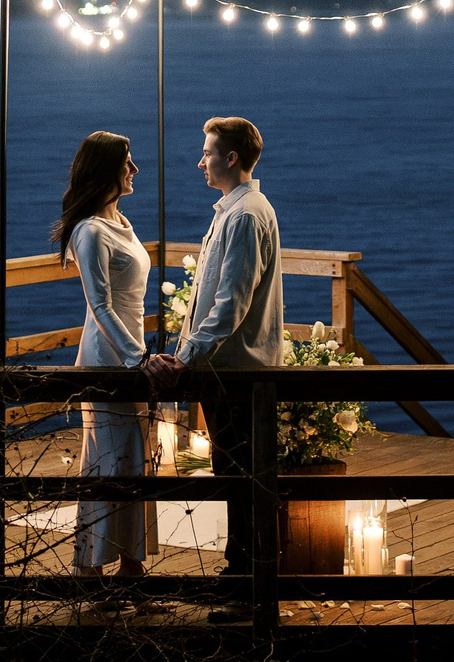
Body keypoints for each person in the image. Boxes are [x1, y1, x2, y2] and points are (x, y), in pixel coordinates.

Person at [144, 115, 281, 603]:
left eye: (207, 152)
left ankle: (248, 581)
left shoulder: (244, 216)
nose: (199, 160)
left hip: (238, 372)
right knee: (236, 473)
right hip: (232, 369)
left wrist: (185, 356)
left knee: (241, 475)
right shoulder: (236, 210)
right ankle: (242, 574)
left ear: (232, 158)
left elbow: (231, 303)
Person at [51, 130, 149, 577]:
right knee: (110, 460)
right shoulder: (90, 231)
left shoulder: (122, 224)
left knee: (132, 458)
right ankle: (93, 568)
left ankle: (127, 565)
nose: (134, 170)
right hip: (108, 357)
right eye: (127, 162)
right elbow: (100, 305)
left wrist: (140, 354)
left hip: (132, 350)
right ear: (106, 169)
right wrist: (135, 359)